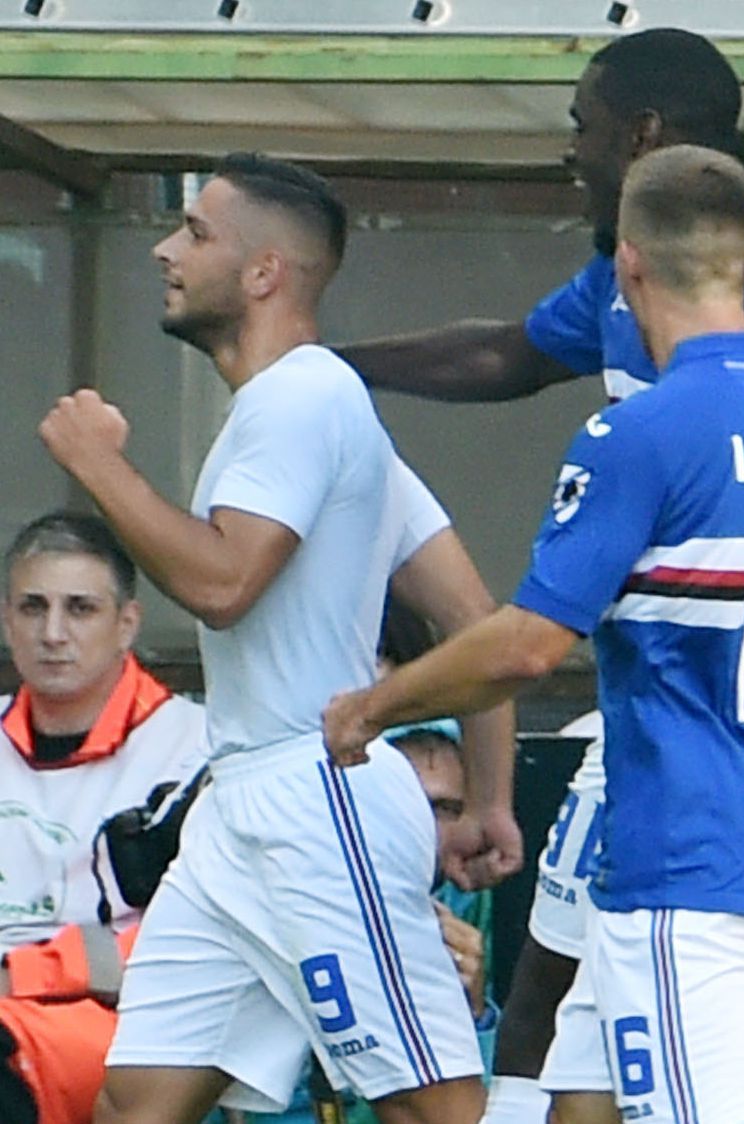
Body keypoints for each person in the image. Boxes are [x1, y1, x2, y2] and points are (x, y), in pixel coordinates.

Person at [337, 28, 744, 1122]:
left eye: (584, 124)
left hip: (731, 723)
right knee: (570, 1039)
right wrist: (336, 367)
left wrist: (722, 559)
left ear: (644, 136)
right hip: (675, 717)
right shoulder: (624, 291)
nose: (570, 148)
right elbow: (511, 356)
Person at [38, 152, 520, 1124]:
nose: (167, 251)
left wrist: (99, 464)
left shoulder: (304, 398)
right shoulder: (327, 414)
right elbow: (476, 621)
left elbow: (223, 582)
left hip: (317, 800)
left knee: (435, 1106)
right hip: (241, 810)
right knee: (135, 1100)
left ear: (264, 272)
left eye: (197, 232)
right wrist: (491, 804)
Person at [0, 513, 209, 1124]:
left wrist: (25, 974)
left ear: (127, 625)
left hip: (123, 1019)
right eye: (33, 608)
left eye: (81, 609)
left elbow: (202, 935)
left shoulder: (195, 747)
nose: (54, 633)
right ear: (7, 619)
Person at [245, 717, 501, 1124]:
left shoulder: (465, 900)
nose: (424, 826)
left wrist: (469, 1016)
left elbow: (488, 1107)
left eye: (445, 809)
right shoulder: (286, 894)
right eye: (406, 799)